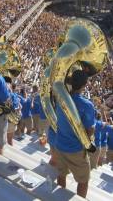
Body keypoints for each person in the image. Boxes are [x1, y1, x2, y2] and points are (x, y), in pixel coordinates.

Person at [55, 70, 95, 198]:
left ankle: (59, 197)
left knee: (61, 174)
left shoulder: (60, 98)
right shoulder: (87, 105)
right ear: (84, 85)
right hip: (76, 149)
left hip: (60, 144)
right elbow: (90, 130)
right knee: (83, 181)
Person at [4, 78, 21, 146]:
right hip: (10, 121)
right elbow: (18, 107)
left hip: (6, 120)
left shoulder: (11, 94)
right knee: (10, 140)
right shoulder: (14, 95)